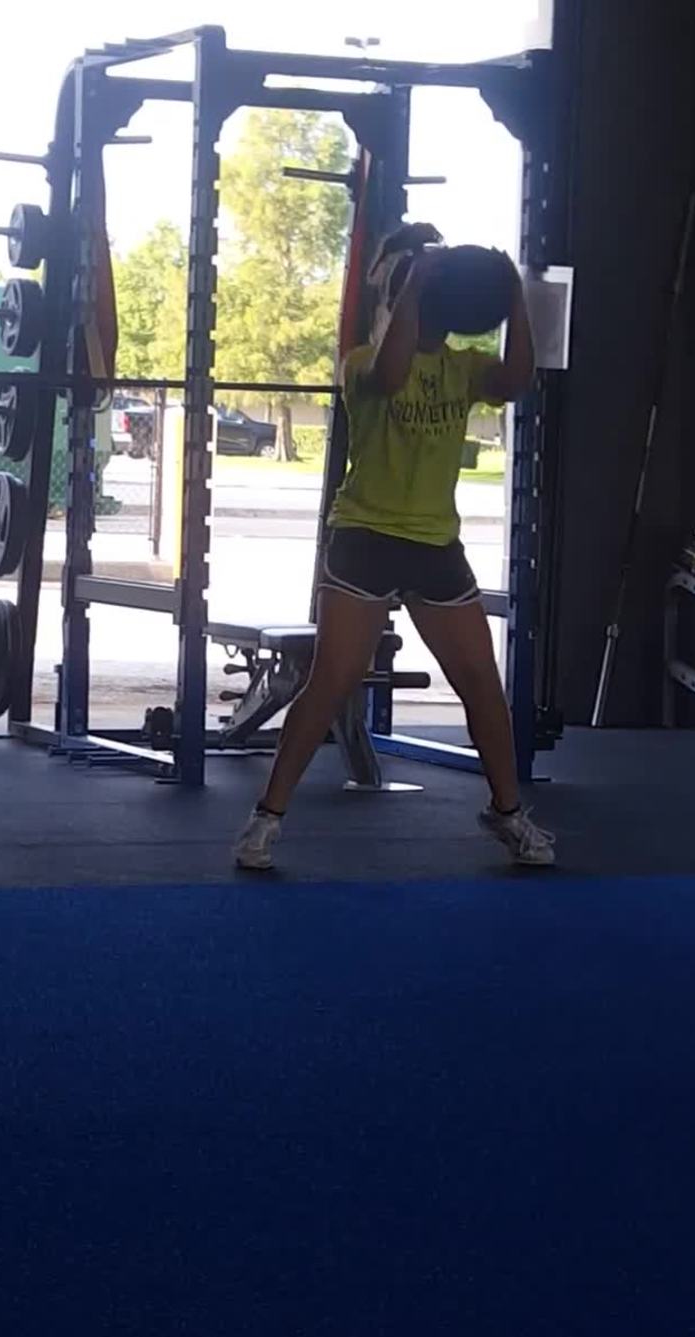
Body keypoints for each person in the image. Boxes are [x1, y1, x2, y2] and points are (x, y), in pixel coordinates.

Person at [234, 223, 555, 871]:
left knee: (482, 685)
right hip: (365, 538)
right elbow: (392, 370)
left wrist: (514, 296)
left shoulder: (464, 369)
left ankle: (508, 812)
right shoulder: (360, 364)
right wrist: (417, 282)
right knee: (332, 681)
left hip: (434, 545)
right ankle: (266, 818)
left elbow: (519, 378)